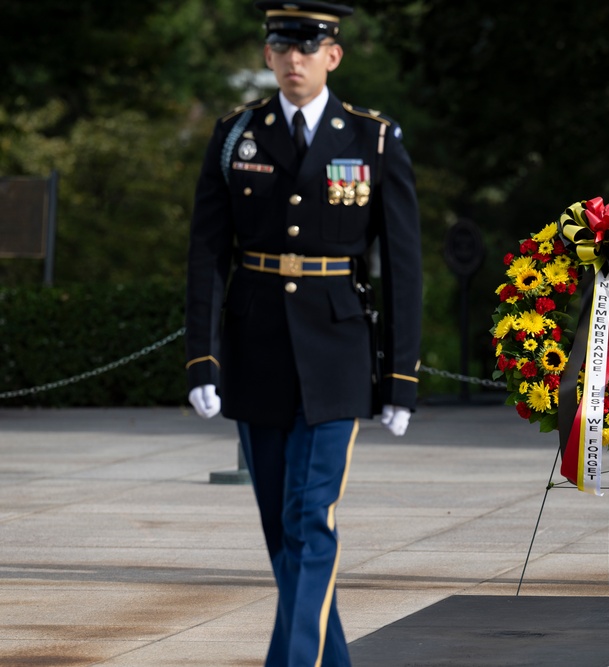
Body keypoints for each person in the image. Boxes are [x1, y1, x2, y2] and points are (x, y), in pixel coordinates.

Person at [184, 2, 422, 664]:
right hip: (256, 347)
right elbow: (207, 254)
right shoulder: (237, 135)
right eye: (281, 46)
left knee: (309, 518)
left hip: (337, 351)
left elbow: (402, 264)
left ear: (332, 56)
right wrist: (202, 359)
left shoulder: (372, 140)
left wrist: (401, 374)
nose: (294, 58)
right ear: (267, 55)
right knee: (280, 533)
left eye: (308, 46)